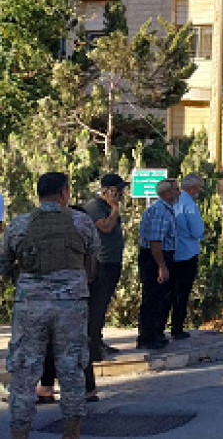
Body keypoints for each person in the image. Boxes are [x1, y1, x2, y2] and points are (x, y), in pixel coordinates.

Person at [1, 172, 100, 439]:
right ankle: (71, 432)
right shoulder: (82, 222)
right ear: (64, 193)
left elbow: (3, 263)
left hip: (30, 305)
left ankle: (19, 432)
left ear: (38, 194)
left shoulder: (19, 224)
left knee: (24, 370)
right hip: (71, 306)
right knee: (71, 368)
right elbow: (94, 261)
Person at [82, 173, 128, 359]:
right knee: (97, 305)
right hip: (101, 262)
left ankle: (98, 340)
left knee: (104, 304)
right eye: (118, 190)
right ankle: (92, 345)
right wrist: (115, 208)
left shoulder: (109, 207)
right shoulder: (95, 206)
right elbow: (106, 227)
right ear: (106, 190)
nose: (121, 193)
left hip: (113, 261)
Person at [137, 178, 180, 350]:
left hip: (160, 255)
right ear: (166, 192)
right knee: (153, 297)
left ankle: (154, 334)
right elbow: (155, 241)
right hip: (155, 257)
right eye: (176, 190)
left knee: (159, 296)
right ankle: (147, 337)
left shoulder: (166, 210)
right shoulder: (160, 211)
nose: (178, 193)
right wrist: (161, 266)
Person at [170, 173, 206, 340]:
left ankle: (164, 326)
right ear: (192, 188)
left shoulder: (173, 202)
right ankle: (177, 328)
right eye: (199, 187)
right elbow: (197, 231)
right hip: (187, 252)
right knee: (182, 292)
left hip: (172, 252)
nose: (200, 190)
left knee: (170, 292)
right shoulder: (189, 204)